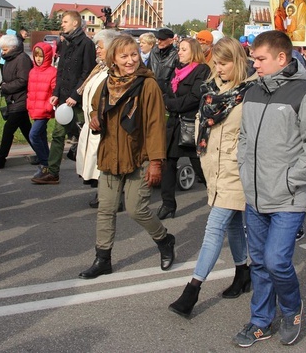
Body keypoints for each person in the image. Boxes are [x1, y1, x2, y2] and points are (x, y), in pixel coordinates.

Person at [233, 30, 306, 347]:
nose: (255, 64)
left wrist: (290, 179)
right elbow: (245, 138)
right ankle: (260, 322)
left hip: (289, 196)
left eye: (260, 59)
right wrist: (245, 171)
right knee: (259, 262)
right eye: (254, 59)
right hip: (256, 195)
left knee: (276, 261)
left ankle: (291, 310)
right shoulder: (253, 92)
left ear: (281, 58)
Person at [168, 37, 257, 317]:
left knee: (214, 228)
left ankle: (192, 290)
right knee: (232, 226)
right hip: (212, 168)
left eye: (224, 63)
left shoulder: (250, 93)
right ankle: (243, 272)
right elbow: (200, 122)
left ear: (238, 62)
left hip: (235, 171)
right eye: (215, 63)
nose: (218, 69)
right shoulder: (210, 90)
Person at [78, 35, 175, 279]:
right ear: (114, 59)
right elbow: (93, 105)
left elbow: (155, 125)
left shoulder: (147, 84)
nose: (130, 60)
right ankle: (102, 259)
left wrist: (155, 162)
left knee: (136, 209)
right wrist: (93, 116)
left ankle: (164, 240)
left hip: (139, 156)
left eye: (134, 54)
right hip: (110, 154)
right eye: (124, 56)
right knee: (106, 209)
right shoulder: (107, 82)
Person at [32, 11, 96, 184]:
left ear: (75, 23)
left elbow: (88, 73)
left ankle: (93, 172)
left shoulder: (86, 44)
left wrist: (76, 94)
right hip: (63, 99)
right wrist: (55, 94)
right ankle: (53, 172)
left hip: (78, 100)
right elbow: (60, 72)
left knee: (87, 134)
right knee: (58, 134)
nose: (62, 24)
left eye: (65, 21)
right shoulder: (66, 43)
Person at [157, 38, 211, 220]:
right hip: (173, 125)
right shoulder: (176, 70)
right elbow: (167, 92)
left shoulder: (202, 70)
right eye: (179, 49)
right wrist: (168, 102)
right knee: (168, 164)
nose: (179, 52)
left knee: (199, 164)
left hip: (190, 124)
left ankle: (216, 195)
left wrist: (170, 105)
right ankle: (168, 205)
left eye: (183, 49)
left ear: (193, 51)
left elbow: (196, 97)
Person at [75, 29, 120, 204]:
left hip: (104, 125)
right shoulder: (99, 68)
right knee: (96, 160)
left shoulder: (114, 71)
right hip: (92, 123)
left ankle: (111, 196)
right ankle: (103, 191)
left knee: (105, 160)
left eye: (100, 47)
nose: (97, 50)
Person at [0, 34, 34, 170]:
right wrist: (3, 84)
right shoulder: (8, 59)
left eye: (5, 49)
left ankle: (0, 159)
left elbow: (23, 80)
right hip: (13, 100)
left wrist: (5, 87)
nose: (2, 52)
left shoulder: (22, 59)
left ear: (13, 47)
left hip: (21, 100)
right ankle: (44, 154)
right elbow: (7, 77)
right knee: (27, 130)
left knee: (8, 130)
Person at [26, 41, 57, 178]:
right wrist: (29, 105)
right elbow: (30, 91)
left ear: (48, 56)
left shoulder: (52, 72)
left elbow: (55, 91)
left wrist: (49, 106)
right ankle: (49, 163)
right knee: (41, 136)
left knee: (33, 136)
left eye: (41, 56)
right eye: (36, 56)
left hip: (44, 110)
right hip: (34, 110)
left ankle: (45, 163)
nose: (38, 59)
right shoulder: (32, 71)